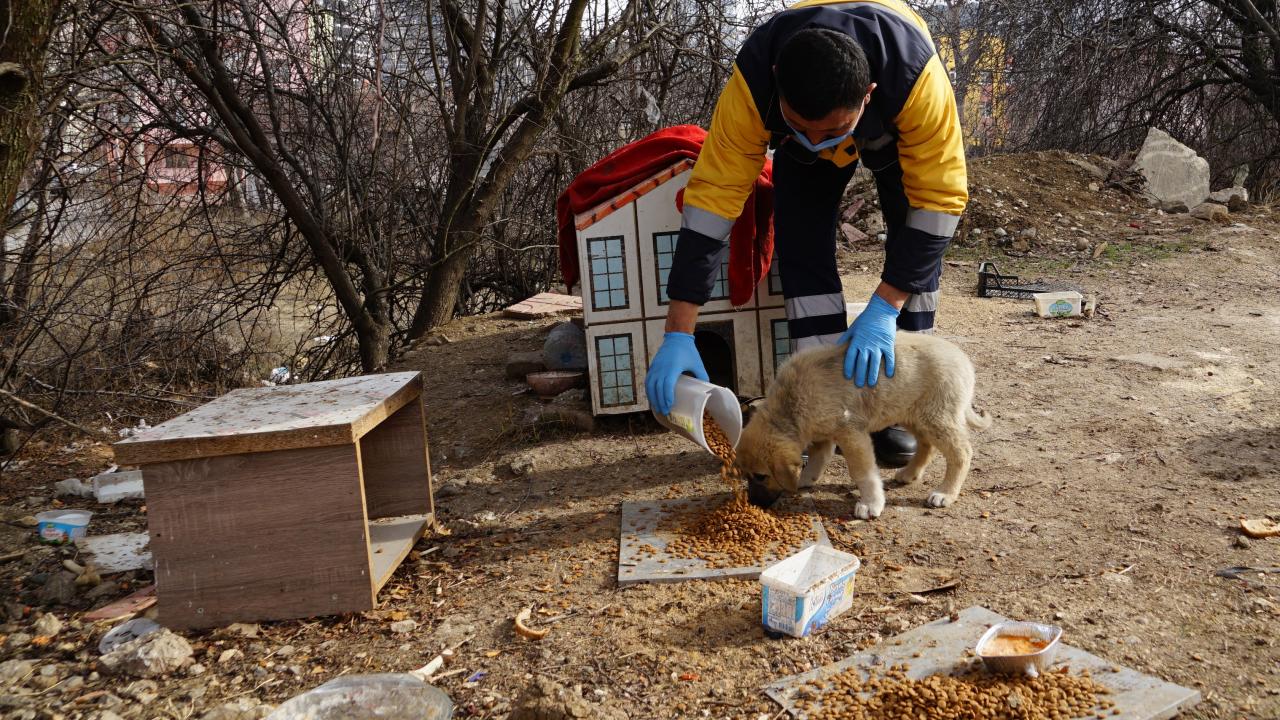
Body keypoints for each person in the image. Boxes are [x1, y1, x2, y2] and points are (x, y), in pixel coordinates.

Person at [644, 0, 967, 501]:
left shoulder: (916, 78)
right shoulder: (753, 83)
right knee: (799, 239)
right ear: (778, 83)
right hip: (810, 105)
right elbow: (711, 202)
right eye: (802, 126)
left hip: (893, 128)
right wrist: (678, 332)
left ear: (868, 96)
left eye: (831, 132)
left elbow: (940, 201)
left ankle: (900, 401)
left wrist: (886, 306)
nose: (818, 142)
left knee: (911, 225)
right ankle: (826, 416)